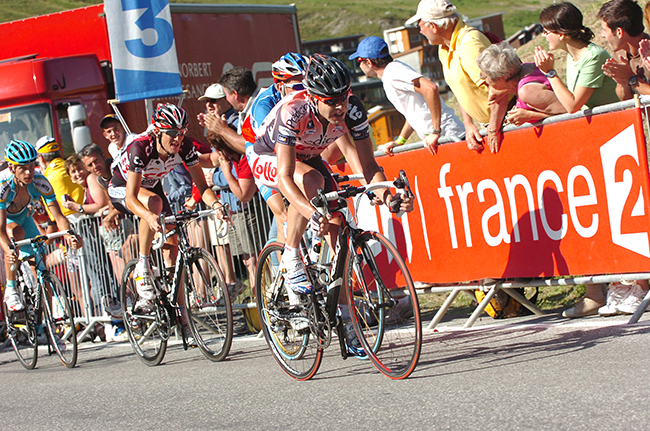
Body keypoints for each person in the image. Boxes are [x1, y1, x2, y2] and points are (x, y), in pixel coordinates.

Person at [253, 54, 414, 355]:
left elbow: (368, 166)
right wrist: (311, 213)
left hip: (308, 155)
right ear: (313, 98)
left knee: (340, 237)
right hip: (267, 157)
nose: (339, 107)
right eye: (331, 101)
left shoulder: (352, 109)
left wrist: (387, 195)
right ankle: (290, 257)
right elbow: (287, 178)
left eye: (343, 97)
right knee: (312, 183)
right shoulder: (294, 111)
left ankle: (348, 324)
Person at [560, 0, 650, 318]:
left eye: (604, 30)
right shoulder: (621, 56)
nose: (602, 35)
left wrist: (632, 79)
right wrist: (624, 80)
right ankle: (633, 282)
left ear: (619, 30)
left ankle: (639, 283)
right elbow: (626, 98)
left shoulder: (648, 50)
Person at [108, 103, 222, 308]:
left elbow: (202, 187)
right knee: (154, 204)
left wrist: (216, 204)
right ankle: (143, 266)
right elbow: (132, 198)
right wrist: (150, 217)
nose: (177, 139)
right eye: (171, 133)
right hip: (123, 187)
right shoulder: (141, 147)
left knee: (173, 244)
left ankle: (181, 314)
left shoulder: (184, 146)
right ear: (158, 131)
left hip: (152, 186)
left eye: (182, 132)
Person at [348, 36, 465, 155]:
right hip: (438, 138)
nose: (359, 66)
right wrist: (400, 141)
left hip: (448, 135)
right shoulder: (391, 73)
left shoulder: (393, 72)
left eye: (359, 61)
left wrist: (435, 131)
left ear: (369, 62)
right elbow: (412, 113)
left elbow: (430, 88)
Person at [406, 0, 496, 152]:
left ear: (432, 26)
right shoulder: (444, 48)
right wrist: (468, 124)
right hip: (493, 123)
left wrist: (494, 126)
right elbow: (460, 90)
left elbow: (497, 88)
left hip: (507, 119)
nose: (419, 31)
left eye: (419, 25)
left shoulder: (469, 44)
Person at [0, 140, 80, 311]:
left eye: (31, 165)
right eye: (23, 168)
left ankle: (46, 324)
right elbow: (1, 228)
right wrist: (8, 250)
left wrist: (69, 234)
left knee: (41, 270)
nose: (28, 172)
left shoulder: (39, 181)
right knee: (16, 233)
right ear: (12, 168)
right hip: (6, 221)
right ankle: (11, 287)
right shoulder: (3, 185)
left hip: (25, 217)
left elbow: (58, 216)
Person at [241, 53, 309, 242]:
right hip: (261, 150)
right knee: (284, 216)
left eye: (307, 85)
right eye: (298, 86)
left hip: (286, 146)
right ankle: (286, 266)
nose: (304, 91)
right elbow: (276, 147)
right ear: (280, 85)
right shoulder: (264, 105)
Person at [525, 2, 618, 123]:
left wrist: (550, 73)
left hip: (612, 124)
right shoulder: (572, 55)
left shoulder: (593, 56)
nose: (543, 36)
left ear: (561, 34)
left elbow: (573, 106)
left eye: (546, 32)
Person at [61, 154, 121, 318]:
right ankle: (110, 317)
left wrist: (77, 207)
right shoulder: (86, 185)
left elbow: (100, 204)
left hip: (108, 232)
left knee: (105, 275)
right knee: (98, 275)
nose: (77, 174)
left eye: (79, 168)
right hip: (100, 234)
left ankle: (114, 318)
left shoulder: (91, 179)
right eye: (73, 172)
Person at [476, 42, 567, 143]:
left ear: (501, 78)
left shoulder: (527, 92)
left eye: (483, 76)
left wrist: (530, 115)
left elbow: (571, 113)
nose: (484, 80)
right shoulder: (525, 68)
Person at [198, 67, 259, 154]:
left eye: (213, 100)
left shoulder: (256, 110)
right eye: (206, 101)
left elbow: (252, 148)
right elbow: (217, 157)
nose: (208, 105)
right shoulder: (246, 113)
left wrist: (222, 130)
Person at [35, 136, 84, 218]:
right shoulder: (72, 168)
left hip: (65, 220)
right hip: (86, 214)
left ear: (41, 158)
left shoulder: (45, 178)